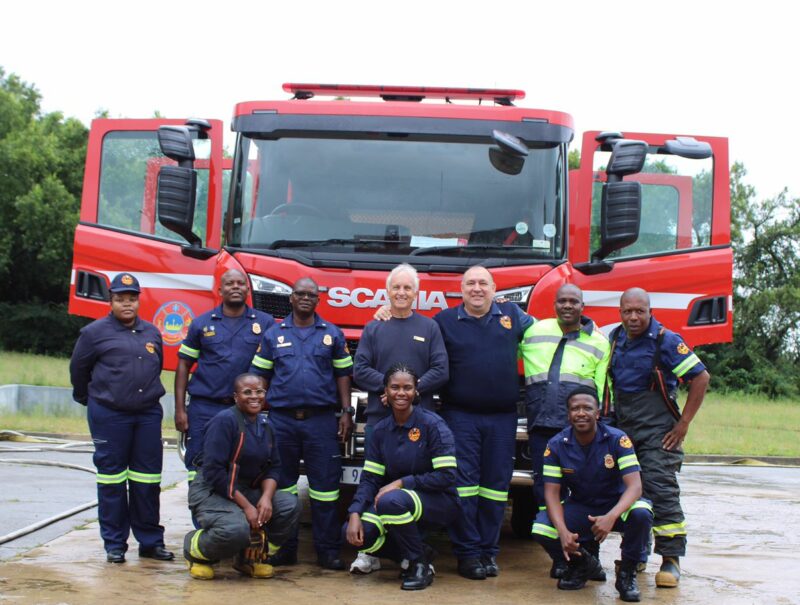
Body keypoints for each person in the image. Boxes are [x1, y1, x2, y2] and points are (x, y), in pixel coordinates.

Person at [433, 265, 533, 579]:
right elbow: (416, 338)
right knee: (463, 488)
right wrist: (383, 312)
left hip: (503, 418)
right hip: (460, 417)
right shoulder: (444, 321)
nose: (477, 289)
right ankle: (467, 554)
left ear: (494, 288)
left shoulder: (513, 316)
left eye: (483, 283)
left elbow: (549, 332)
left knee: (495, 489)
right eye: (471, 283)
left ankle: (489, 553)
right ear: (461, 289)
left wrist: (588, 326)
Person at [607, 287, 710, 588]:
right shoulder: (616, 339)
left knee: (661, 490)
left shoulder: (666, 341)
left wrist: (684, 423)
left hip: (658, 432)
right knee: (629, 493)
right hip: (625, 430)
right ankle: (636, 555)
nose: (634, 317)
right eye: (628, 311)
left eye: (640, 311)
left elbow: (701, 377)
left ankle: (671, 558)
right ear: (620, 312)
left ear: (650, 311)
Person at [250, 277, 354, 570]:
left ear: (317, 300)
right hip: (282, 421)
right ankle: (285, 548)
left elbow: (343, 375)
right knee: (283, 489)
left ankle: (328, 551)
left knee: (326, 490)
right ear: (291, 299)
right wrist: (256, 414)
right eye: (300, 294)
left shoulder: (331, 334)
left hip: (321, 421)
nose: (305, 298)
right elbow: (260, 377)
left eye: (311, 294)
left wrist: (346, 411)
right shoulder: (273, 334)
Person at [69, 273, 173, 564]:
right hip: (109, 415)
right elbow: (79, 371)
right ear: (111, 301)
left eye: (131, 298)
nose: (126, 304)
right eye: (120, 299)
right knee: (112, 480)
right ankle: (115, 544)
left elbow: (157, 367)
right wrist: (90, 400)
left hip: (147, 415)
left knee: (148, 480)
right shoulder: (93, 333)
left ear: (139, 301)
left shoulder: (152, 332)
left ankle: (150, 541)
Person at [352, 263, 449, 573]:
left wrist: (408, 391)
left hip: (419, 421)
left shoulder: (429, 327)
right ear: (388, 291)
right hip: (381, 420)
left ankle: (412, 549)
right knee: (374, 480)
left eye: (408, 288)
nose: (402, 292)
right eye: (397, 287)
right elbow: (360, 368)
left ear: (416, 293)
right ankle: (369, 552)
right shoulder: (374, 327)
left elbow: (441, 369)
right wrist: (390, 389)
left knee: (410, 488)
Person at [519, 284, 610, 577]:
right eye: (563, 301)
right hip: (542, 425)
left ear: (583, 305)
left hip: (580, 431)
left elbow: (599, 390)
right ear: (554, 304)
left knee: (586, 491)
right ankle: (561, 557)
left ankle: (588, 556)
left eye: (574, 301)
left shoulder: (599, 342)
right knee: (544, 490)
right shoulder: (534, 331)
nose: (568, 306)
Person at [532, 387, 652, 602]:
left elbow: (635, 487)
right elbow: (551, 493)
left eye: (587, 408)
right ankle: (583, 565)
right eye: (574, 408)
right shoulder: (556, 445)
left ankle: (626, 574)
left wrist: (611, 516)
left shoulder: (617, 439)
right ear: (568, 414)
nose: (581, 413)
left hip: (617, 504)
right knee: (541, 528)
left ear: (598, 413)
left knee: (642, 513)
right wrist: (563, 532)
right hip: (582, 505)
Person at [345, 363, 459, 590]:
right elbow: (370, 478)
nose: (401, 393)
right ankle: (416, 553)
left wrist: (402, 483)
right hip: (395, 500)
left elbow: (447, 476)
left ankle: (418, 566)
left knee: (390, 500)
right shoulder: (380, 430)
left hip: (439, 500)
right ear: (385, 392)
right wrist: (355, 512)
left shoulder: (432, 425)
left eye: (407, 387)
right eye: (394, 387)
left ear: (416, 391)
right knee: (355, 533)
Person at [183, 373, 301, 580]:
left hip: (246, 489)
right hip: (213, 490)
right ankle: (196, 551)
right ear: (236, 397)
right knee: (236, 528)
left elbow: (274, 467)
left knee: (289, 505)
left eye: (259, 392)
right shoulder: (223, 422)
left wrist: (265, 498)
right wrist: (247, 507)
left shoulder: (266, 426)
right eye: (247, 392)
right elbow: (215, 472)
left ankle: (251, 557)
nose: (254, 397)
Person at [175, 269, 274, 485]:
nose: (236, 287)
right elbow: (183, 365)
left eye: (240, 283)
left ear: (248, 290)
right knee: (199, 467)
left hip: (245, 411)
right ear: (220, 290)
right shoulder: (201, 324)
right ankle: (202, 518)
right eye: (230, 284)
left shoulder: (266, 324)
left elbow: (273, 368)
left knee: (242, 468)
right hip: (205, 408)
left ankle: (234, 517)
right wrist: (180, 410)